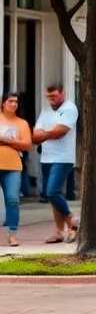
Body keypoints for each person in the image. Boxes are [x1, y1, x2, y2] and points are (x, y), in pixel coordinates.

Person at [33, 83, 79, 243]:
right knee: (52, 195)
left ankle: (72, 220)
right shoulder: (45, 112)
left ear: (62, 94)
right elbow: (34, 136)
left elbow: (60, 132)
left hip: (63, 158)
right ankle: (60, 232)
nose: (51, 100)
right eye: (48, 97)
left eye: (53, 96)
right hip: (46, 157)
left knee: (52, 191)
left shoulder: (69, 108)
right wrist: (50, 133)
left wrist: (45, 134)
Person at [0, 93, 32, 247]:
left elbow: (26, 145)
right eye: (10, 101)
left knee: (12, 199)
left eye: (16, 102)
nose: (14, 104)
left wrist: (5, 140)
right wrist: (14, 142)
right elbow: (20, 143)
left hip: (13, 166)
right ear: (3, 103)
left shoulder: (22, 123)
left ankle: (12, 234)